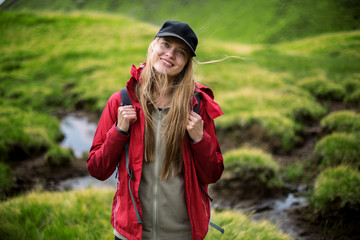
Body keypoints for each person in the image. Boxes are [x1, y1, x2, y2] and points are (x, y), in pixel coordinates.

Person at [87, 20, 224, 240]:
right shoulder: (121, 101)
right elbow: (97, 169)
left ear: (187, 63)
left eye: (180, 52)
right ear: (153, 46)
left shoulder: (197, 107)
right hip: (130, 234)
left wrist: (200, 139)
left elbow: (213, 173)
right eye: (165, 44)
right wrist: (119, 131)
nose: (170, 54)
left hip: (182, 234)